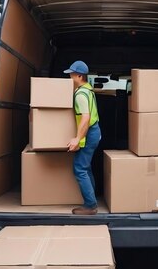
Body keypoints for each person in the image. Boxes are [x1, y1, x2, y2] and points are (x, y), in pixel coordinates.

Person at [64, 60, 101, 215]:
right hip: (95, 131)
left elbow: (85, 118)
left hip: (89, 132)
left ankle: (90, 205)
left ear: (79, 76)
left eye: (72, 74)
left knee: (79, 169)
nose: (70, 77)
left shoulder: (80, 94)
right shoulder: (88, 90)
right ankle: (92, 200)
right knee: (85, 167)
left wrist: (77, 139)